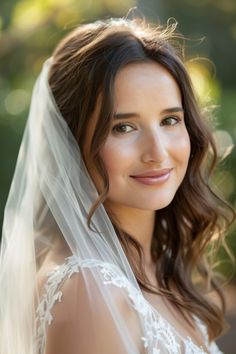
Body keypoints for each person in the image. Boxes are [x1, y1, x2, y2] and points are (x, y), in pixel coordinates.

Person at [0, 17, 235, 354]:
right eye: (123, 128)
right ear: (70, 142)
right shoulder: (88, 290)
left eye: (170, 120)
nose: (157, 152)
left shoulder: (159, 265)